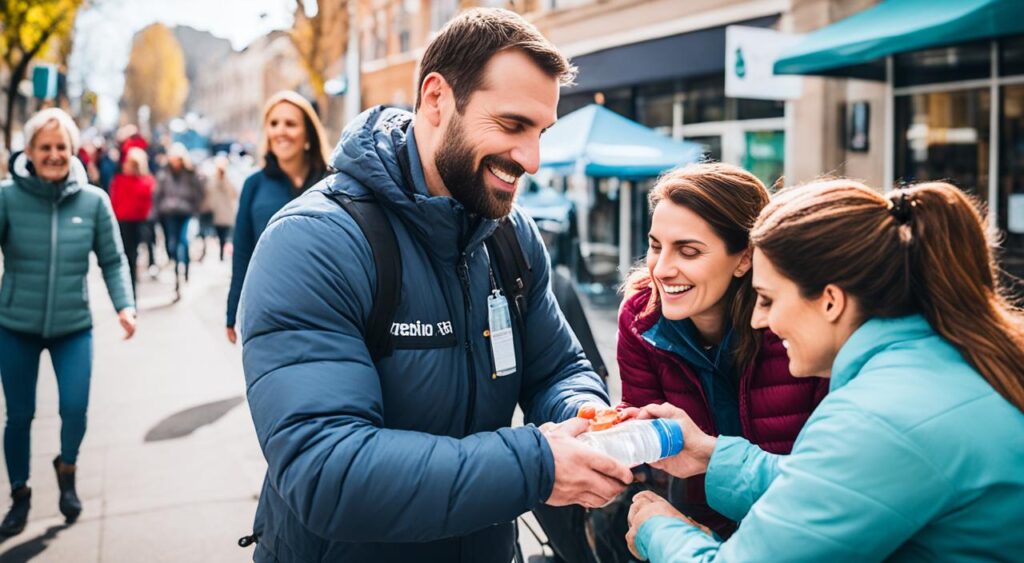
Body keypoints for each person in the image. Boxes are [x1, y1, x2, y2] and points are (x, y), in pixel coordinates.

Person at [237, 8, 633, 562]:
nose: (533, 160)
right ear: (436, 99)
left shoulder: (511, 234)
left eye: (541, 132)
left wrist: (583, 418)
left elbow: (560, 369)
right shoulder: (314, 241)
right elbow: (326, 470)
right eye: (513, 125)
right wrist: (537, 464)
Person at [626, 180, 1024, 561]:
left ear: (831, 301)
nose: (759, 320)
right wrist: (710, 456)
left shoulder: (873, 415)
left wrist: (658, 528)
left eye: (766, 299)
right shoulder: (942, 362)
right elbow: (844, 484)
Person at [613, 163, 827, 538]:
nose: (661, 269)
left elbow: (829, 480)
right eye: (655, 246)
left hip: (801, 528)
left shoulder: (795, 326)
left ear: (745, 258)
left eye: (688, 251)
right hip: (698, 523)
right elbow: (644, 444)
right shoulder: (639, 318)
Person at [0, 108, 136, 536]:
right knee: (19, 415)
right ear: (29, 151)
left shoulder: (94, 201)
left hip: (73, 326)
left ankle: (67, 467)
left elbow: (113, 260)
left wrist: (125, 306)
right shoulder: (6, 197)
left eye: (61, 147)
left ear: (73, 150)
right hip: (15, 326)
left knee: (74, 409)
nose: (54, 155)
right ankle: (20, 493)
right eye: (45, 147)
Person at [224, 90, 329, 344]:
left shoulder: (331, 181)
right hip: (270, 308)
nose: (280, 131)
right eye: (274, 123)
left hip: (325, 306)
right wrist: (232, 310)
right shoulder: (254, 185)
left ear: (308, 136)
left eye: (290, 124)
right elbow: (243, 251)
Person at [153, 142, 202, 293]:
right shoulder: (163, 174)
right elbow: (157, 195)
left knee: (184, 241)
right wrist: (157, 211)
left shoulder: (190, 174)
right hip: (169, 214)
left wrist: (195, 209)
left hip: (185, 213)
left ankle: (185, 268)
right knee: (171, 244)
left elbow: (198, 194)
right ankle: (176, 270)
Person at [109, 147, 156, 298]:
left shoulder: (146, 181)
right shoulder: (119, 180)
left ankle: (132, 287)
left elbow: (149, 203)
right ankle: (128, 287)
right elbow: (114, 200)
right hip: (123, 222)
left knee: (133, 255)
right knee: (125, 255)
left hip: (138, 223)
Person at [202, 154, 238, 262]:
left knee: (223, 235)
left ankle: (221, 254)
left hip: (225, 213)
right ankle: (212, 253)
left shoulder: (229, 179)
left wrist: (224, 178)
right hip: (214, 212)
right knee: (213, 234)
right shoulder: (212, 179)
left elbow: (233, 193)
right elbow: (208, 192)